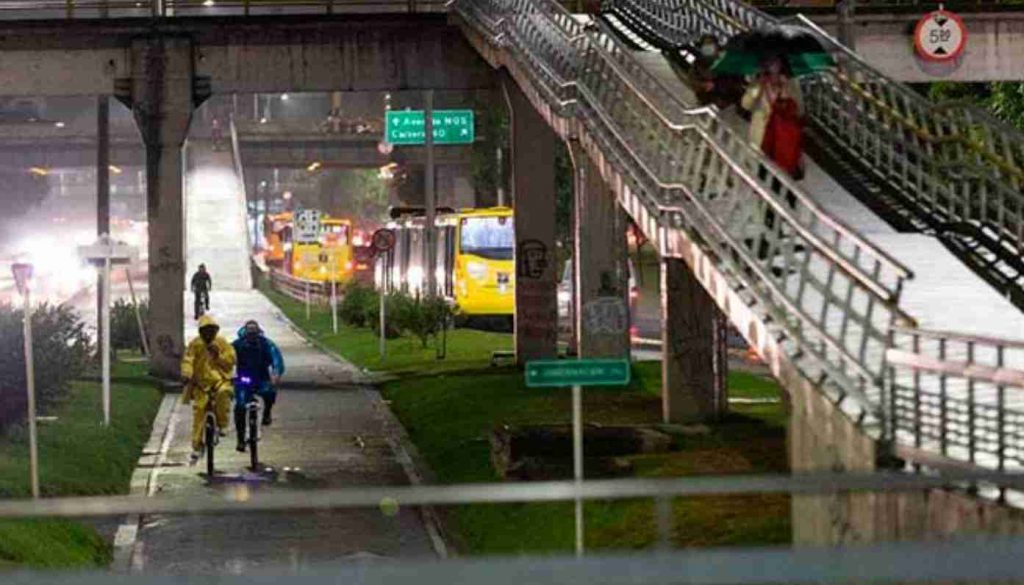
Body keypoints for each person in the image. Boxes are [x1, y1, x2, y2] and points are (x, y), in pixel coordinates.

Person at [180, 314, 236, 464]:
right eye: (205, 331)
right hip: (200, 384)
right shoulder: (195, 344)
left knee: (223, 394)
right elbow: (188, 360)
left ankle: (223, 424)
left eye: (211, 331)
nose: (208, 334)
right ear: (200, 331)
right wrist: (186, 374)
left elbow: (231, 361)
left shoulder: (221, 343)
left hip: (220, 381)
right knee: (199, 410)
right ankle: (196, 446)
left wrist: (218, 356)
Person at [741, 57, 804, 179]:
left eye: (775, 62)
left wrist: (786, 92)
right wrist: (758, 89)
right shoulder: (758, 84)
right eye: (769, 63)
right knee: (762, 172)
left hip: (784, 138)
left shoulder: (791, 83)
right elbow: (746, 105)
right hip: (762, 135)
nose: (772, 66)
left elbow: (799, 109)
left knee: (784, 175)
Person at [231, 320, 285, 453]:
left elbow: (276, 359)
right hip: (244, 379)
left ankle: (267, 412)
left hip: (262, 378)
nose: (252, 337)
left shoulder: (266, 344)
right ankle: (240, 438)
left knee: (270, 392)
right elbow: (225, 357)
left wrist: (276, 374)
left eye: (254, 334)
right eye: (250, 334)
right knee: (240, 406)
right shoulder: (237, 345)